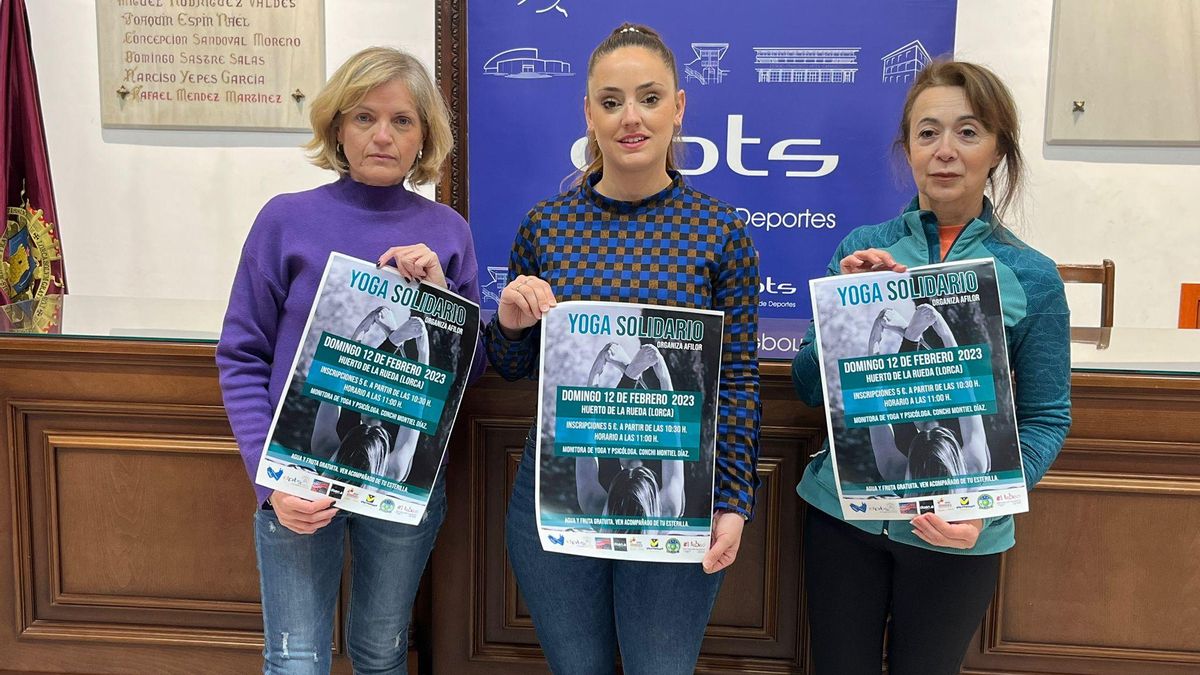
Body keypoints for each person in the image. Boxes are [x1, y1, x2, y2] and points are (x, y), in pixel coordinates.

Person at [483, 23, 761, 674]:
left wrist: (733, 500)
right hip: (556, 487)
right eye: (610, 101)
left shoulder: (722, 234)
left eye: (649, 97)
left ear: (679, 107)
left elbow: (739, 382)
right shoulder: (544, 226)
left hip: (677, 489)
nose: (630, 117)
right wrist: (512, 322)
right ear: (588, 114)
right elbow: (515, 367)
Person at [791, 60, 1071, 675]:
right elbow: (811, 388)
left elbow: (1048, 416)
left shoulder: (1031, 275)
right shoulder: (860, 248)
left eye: (968, 132)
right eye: (928, 133)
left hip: (960, 529)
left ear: (997, 149)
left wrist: (989, 505)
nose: (945, 151)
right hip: (846, 519)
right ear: (909, 148)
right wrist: (846, 317)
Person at [215, 46, 484, 673]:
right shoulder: (285, 220)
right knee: (296, 660)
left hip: (401, 479)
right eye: (364, 117)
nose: (382, 135)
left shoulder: (448, 233)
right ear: (337, 127)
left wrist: (441, 301)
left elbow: (469, 375)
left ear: (425, 137)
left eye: (402, 120)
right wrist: (269, 478)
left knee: (382, 653)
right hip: (297, 479)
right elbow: (241, 355)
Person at [866, 305, 990, 482]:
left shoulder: (895, 470)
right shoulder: (973, 465)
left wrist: (877, 340)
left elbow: (875, 402)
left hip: (915, 442)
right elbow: (963, 385)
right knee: (936, 399)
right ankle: (911, 338)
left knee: (908, 403)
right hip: (947, 436)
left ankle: (911, 338)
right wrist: (941, 327)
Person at [310, 307, 429, 481]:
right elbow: (416, 405)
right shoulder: (392, 471)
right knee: (396, 406)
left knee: (355, 393)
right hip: (395, 471)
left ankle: (395, 341)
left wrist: (359, 337)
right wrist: (422, 349)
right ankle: (396, 342)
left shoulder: (324, 450)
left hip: (344, 460)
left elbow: (336, 384)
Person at [578, 342, 685, 530]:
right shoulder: (667, 510)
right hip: (650, 512)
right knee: (650, 443)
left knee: (607, 444)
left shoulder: (594, 505)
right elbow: (670, 435)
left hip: (620, 510)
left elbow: (588, 435)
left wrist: (595, 374)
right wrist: (663, 376)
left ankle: (631, 375)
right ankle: (632, 375)